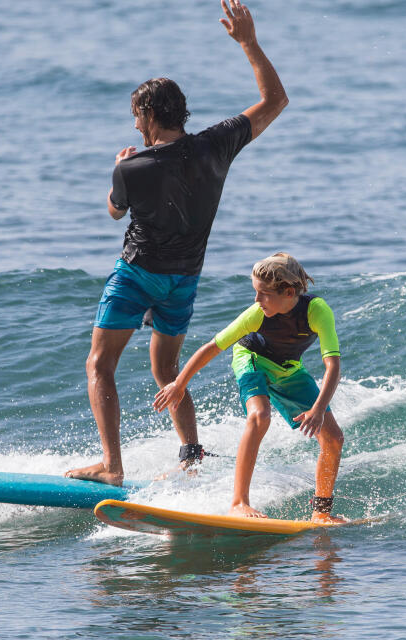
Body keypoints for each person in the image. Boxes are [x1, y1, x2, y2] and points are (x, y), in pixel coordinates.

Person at [66, 1, 288, 486]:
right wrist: (249, 43)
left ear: (147, 114)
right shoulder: (217, 143)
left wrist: (119, 167)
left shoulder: (132, 167)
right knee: (166, 366)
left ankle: (111, 465)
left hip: (138, 273)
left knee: (100, 364)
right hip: (183, 281)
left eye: (135, 116)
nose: (134, 126)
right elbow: (275, 100)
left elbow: (115, 210)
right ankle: (190, 455)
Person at [153, 253, 346, 524]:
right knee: (259, 416)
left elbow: (333, 366)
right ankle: (239, 503)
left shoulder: (317, 311)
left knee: (334, 437)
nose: (257, 300)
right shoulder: (257, 315)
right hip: (251, 359)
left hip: (289, 368)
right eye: (255, 292)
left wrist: (318, 409)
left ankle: (321, 511)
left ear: (288, 292)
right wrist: (180, 383)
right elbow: (213, 347)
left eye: (263, 294)